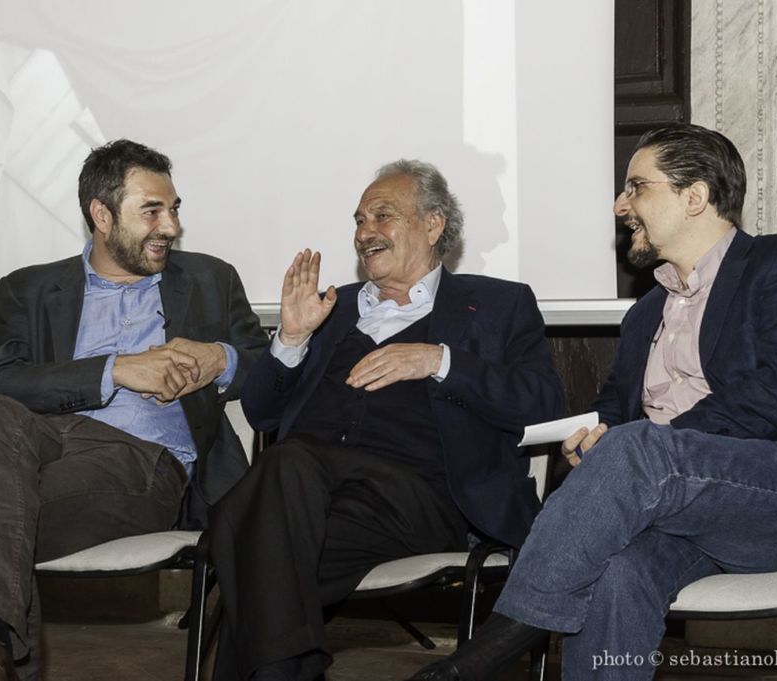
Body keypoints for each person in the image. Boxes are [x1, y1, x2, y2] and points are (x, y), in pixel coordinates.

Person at [407, 124, 777, 681]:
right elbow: (615, 414)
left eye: (636, 186)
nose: (620, 205)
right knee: (617, 569)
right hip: (683, 519)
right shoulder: (643, 317)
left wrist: (656, 444)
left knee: (641, 450)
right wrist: (593, 438)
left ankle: (485, 653)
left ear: (695, 196)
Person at [206, 159, 565, 681]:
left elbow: (543, 403)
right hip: (310, 504)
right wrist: (290, 339)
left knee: (256, 525)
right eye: (358, 220)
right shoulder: (330, 309)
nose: (364, 233)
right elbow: (260, 411)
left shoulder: (497, 304)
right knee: (272, 548)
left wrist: (439, 361)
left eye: (382, 216)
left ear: (433, 224)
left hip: (417, 498)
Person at [0, 139, 269, 681]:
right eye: (152, 211)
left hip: (140, 460)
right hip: (39, 444)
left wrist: (221, 357)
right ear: (102, 215)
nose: (171, 226)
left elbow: (271, 375)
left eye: (175, 208)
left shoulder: (211, 279)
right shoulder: (28, 288)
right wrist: (115, 369)